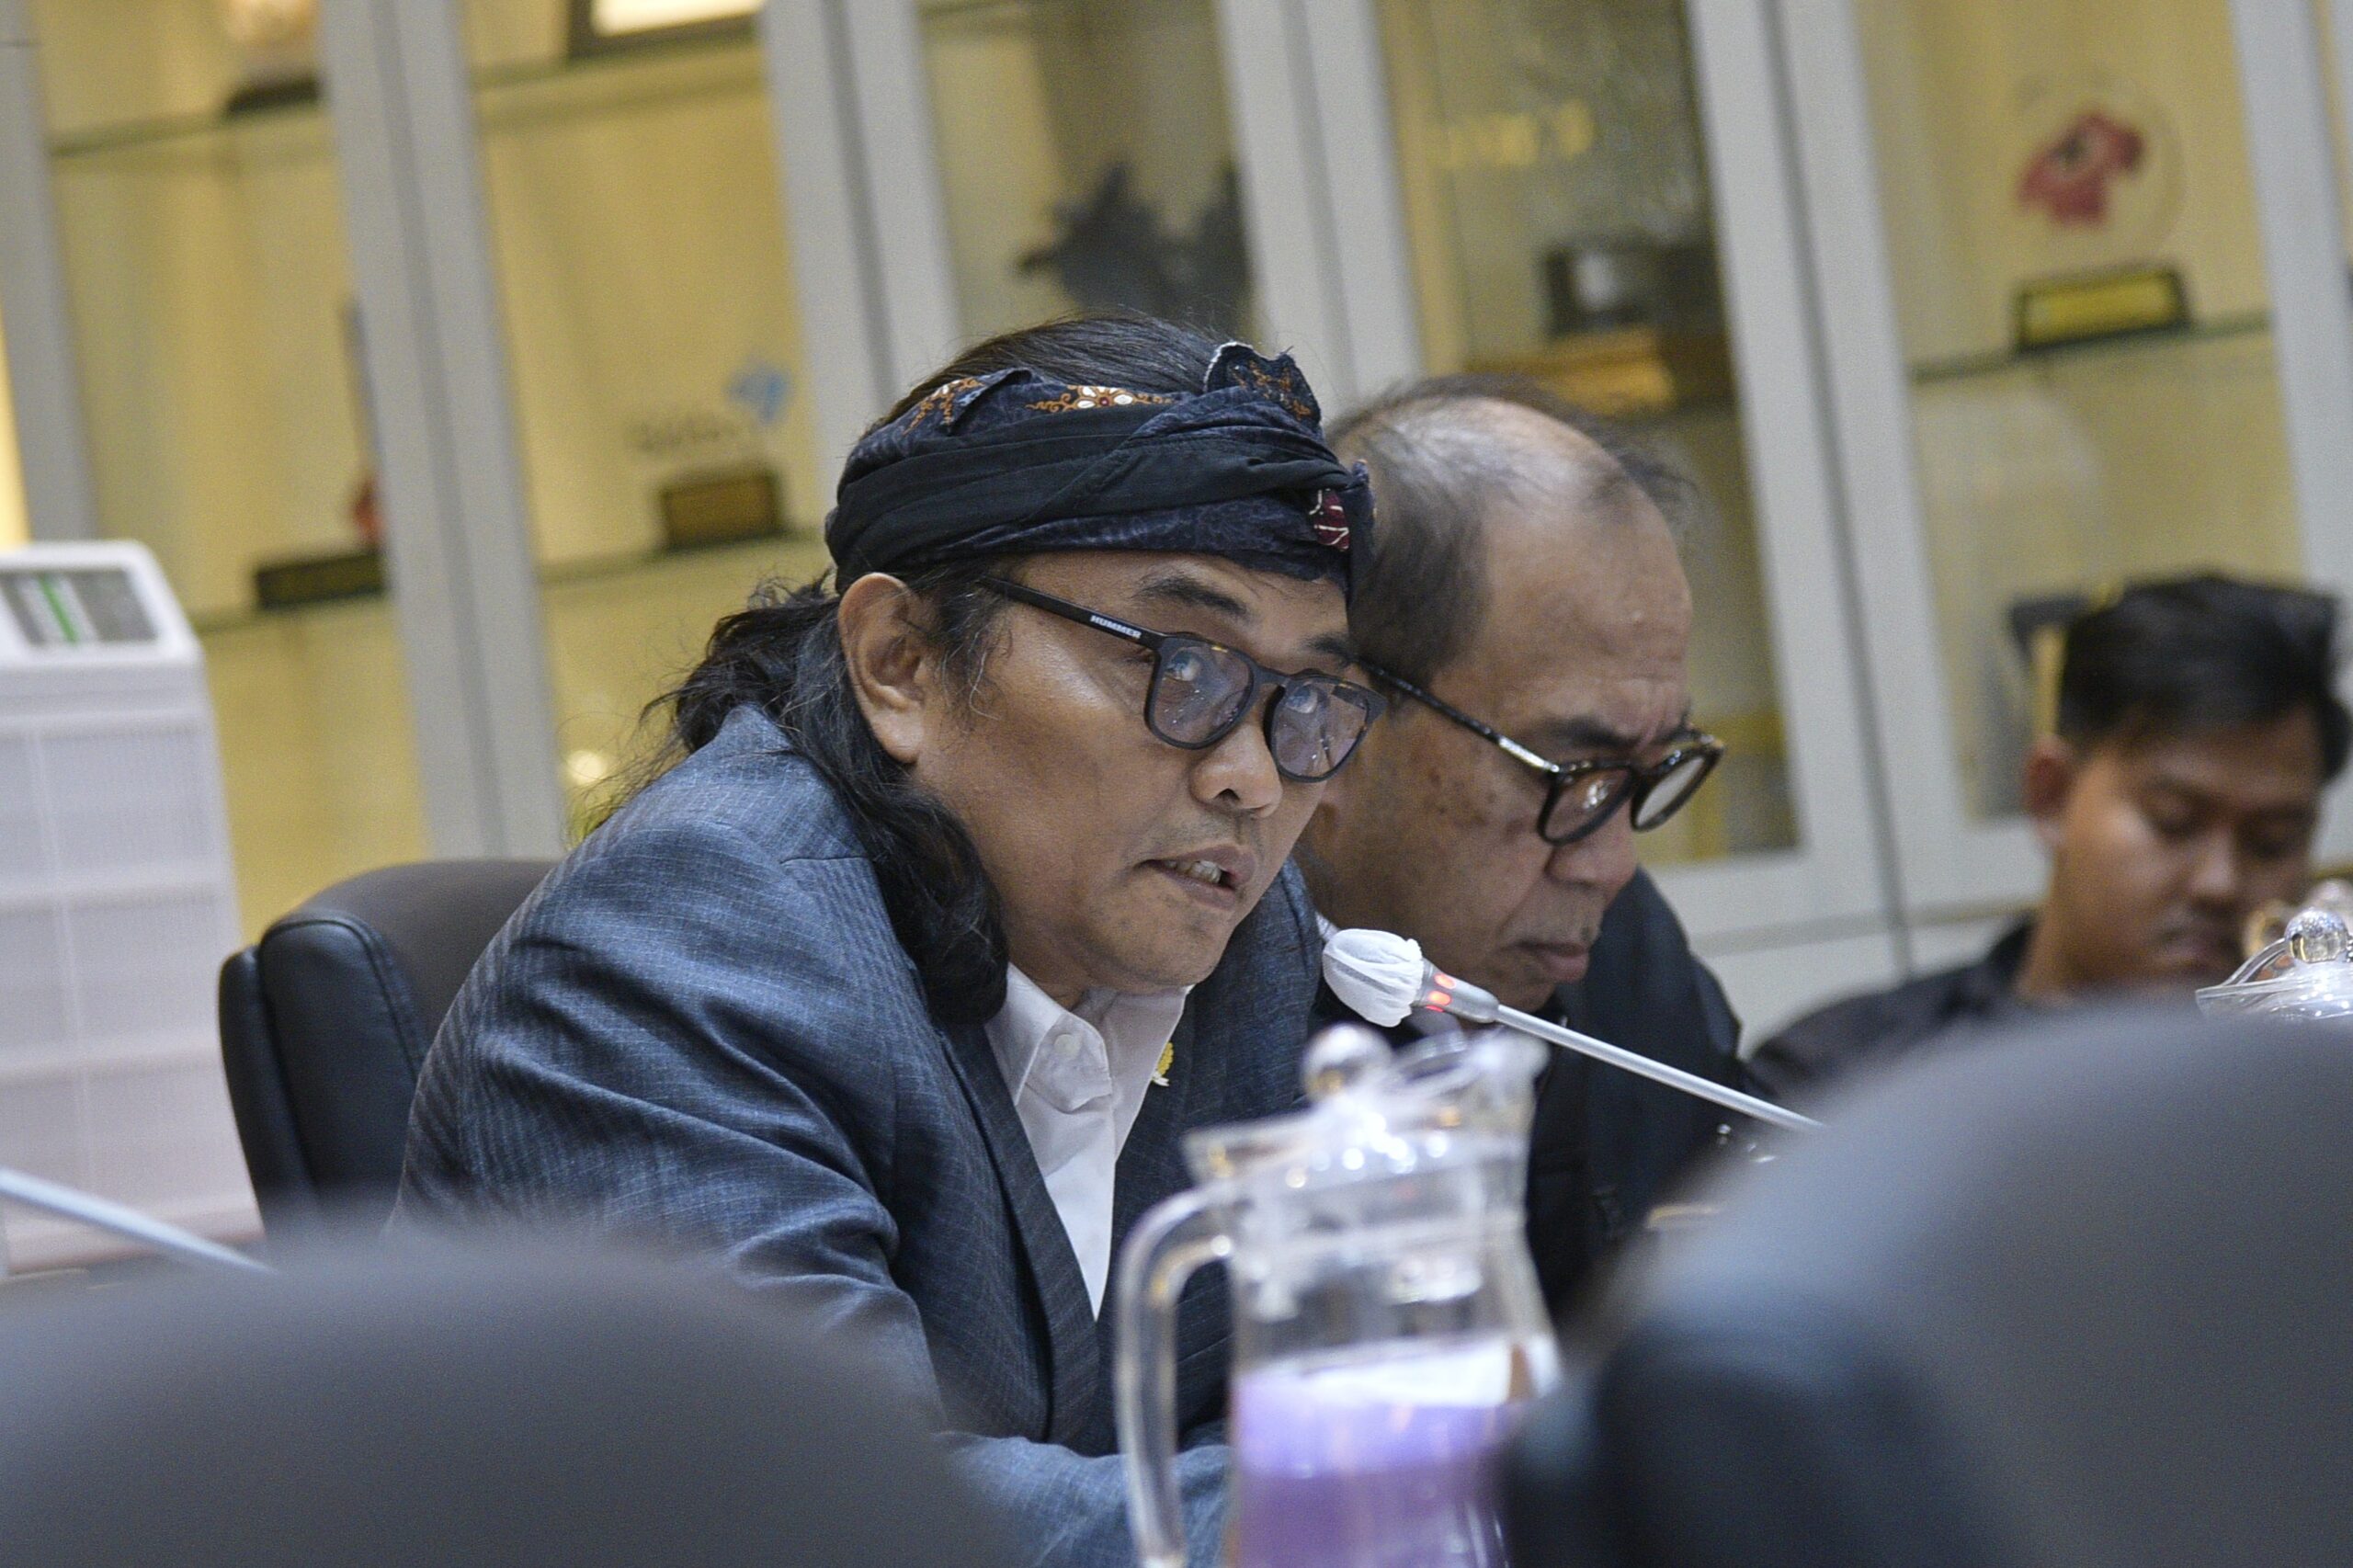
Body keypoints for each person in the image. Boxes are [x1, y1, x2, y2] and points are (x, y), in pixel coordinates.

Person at [394, 315, 1385, 1568]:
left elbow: (1278, 1399)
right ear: (900, 663)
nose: (1254, 776)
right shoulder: (680, 947)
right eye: (1183, 668)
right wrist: (1397, 1499)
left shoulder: (1239, 933)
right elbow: (832, 1515)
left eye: (1308, 701)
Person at [1297, 375, 1746, 1314]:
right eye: (1566, 771)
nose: (1612, 865)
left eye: (1651, 770)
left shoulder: (1627, 957)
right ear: (1335, 726)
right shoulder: (1173, 1010)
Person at [1752, 574, 2348, 1099]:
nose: (2220, 883)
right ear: (2052, 794)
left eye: (2272, 841)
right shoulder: (1845, 1079)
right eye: (2173, 822)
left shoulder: (2320, 1072)